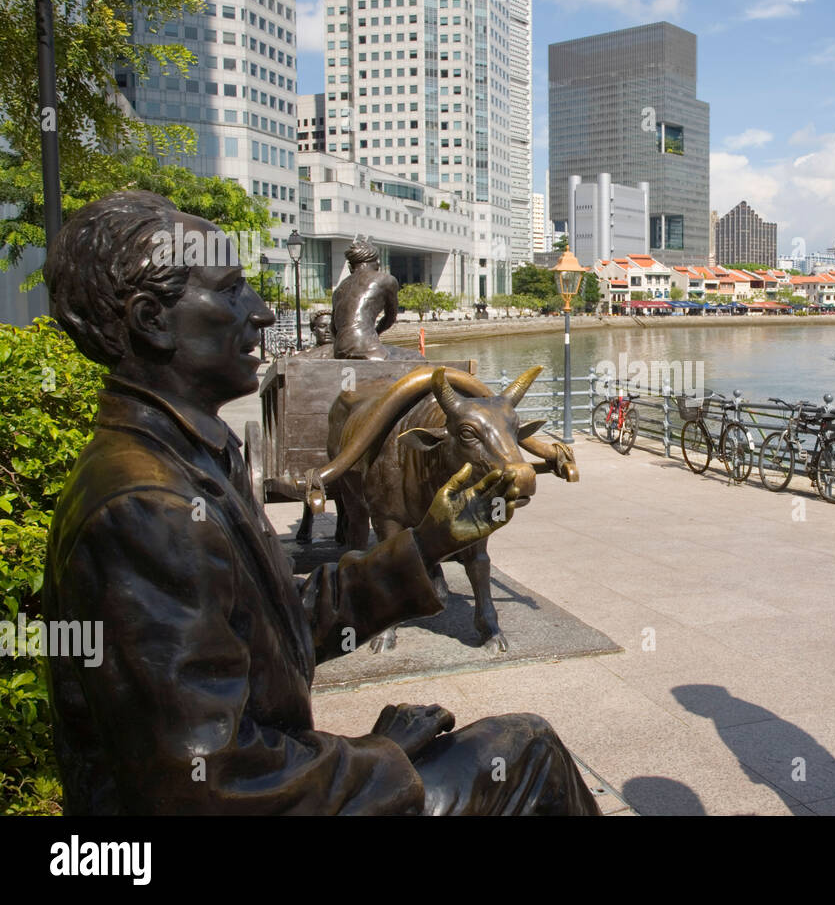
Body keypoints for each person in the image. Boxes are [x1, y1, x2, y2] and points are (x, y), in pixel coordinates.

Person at [43, 191, 599, 815]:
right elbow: (209, 778)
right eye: (230, 291)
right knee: (529, 751)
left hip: (281, 774)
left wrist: (428, 543)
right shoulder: (146, 508)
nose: (259, 311)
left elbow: (280, 629)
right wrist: (376, 757)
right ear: (151, 319)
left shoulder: (194, 454)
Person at [331, 238, 400, 360]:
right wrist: (376, 332)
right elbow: (390, 317)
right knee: (412, 359)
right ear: (377, 263)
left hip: (339, 348)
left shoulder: (340, 288)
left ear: (350, 266)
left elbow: (333, 328)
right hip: (365, 345)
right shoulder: (386, 280)